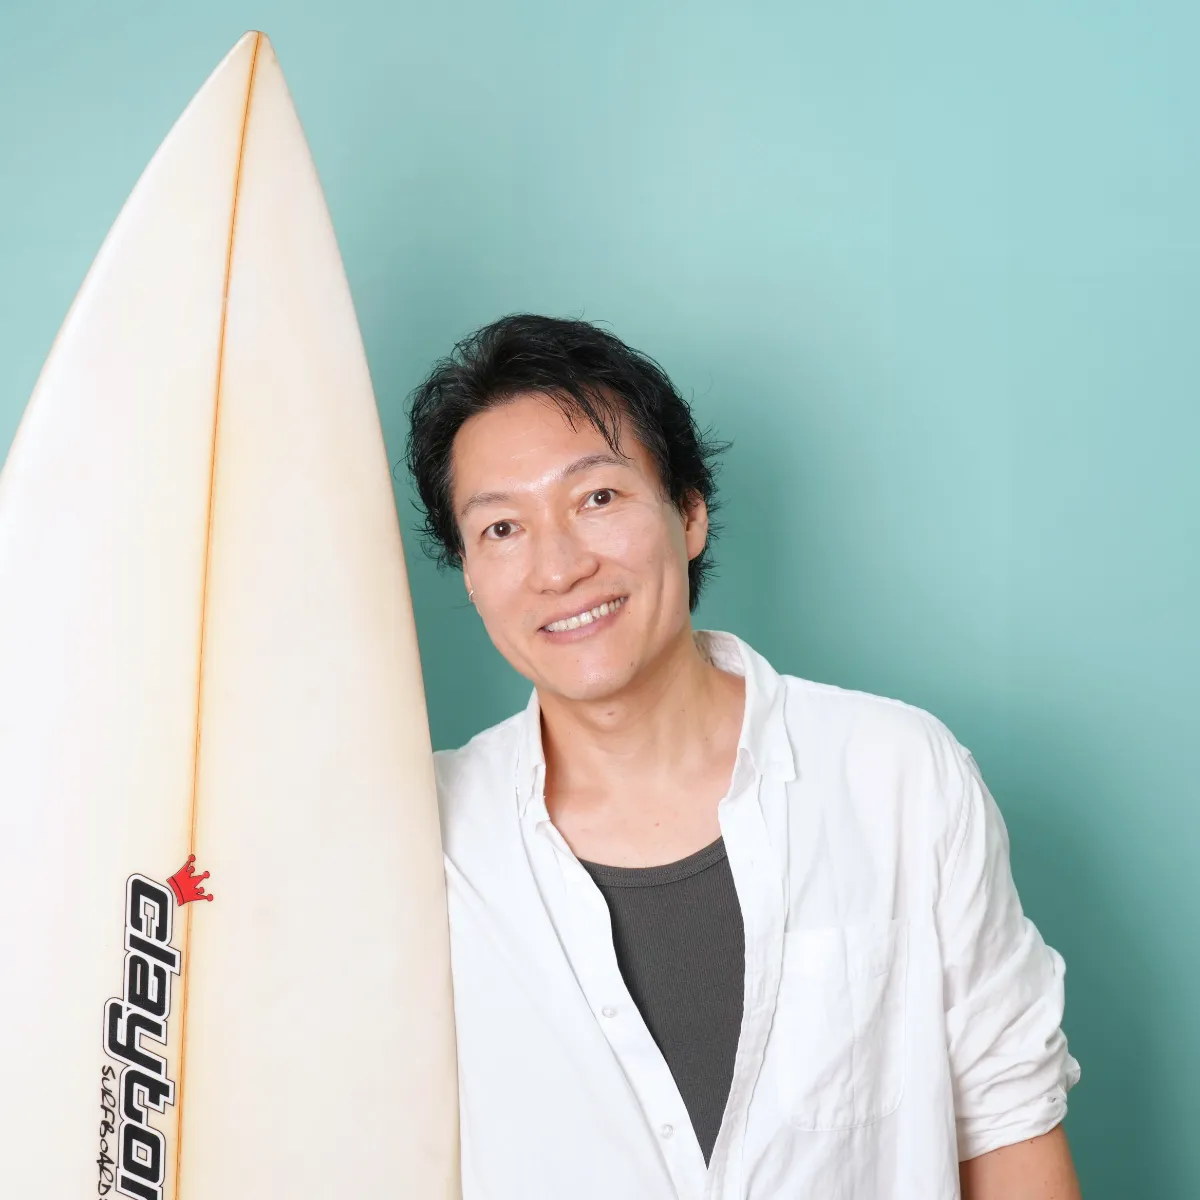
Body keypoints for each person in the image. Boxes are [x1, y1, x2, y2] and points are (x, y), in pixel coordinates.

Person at [405, 314, 1082, 1200]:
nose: (558, 567)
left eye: (597, 498)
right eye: (502, 529)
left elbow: (1007, 1125)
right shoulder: (423, 835)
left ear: (689, 512)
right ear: (467, 572)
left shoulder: (897, 775)